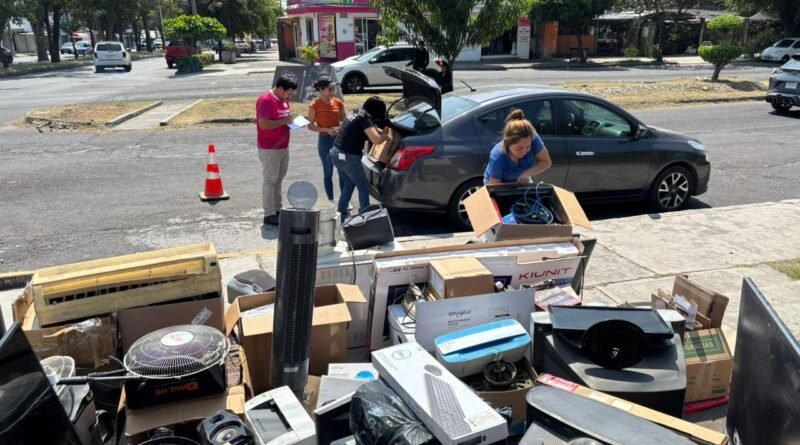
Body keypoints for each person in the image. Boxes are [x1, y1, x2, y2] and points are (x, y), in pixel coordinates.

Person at [332, 96, 391, 222]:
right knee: (363, 186)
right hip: (349, 157)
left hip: (336, 152)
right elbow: (375, 139)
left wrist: (379, 130)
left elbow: (369, 130)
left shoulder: (355, 112)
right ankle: (367, 216)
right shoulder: (365, 119)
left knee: (349, 184)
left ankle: (341, 212)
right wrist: (386, 135)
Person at [256, 76, 298, 226]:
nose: (289, 97)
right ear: (280, 89)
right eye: (288, 94)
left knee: (278, 179)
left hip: (283, 146)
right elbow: (264, 124)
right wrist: (284, 121)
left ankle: (277, 209)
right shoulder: (266, 101)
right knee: (270, 180)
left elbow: (285, 118)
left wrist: (292, 121)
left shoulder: (283, 100)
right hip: (269, 148)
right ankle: (268, 214)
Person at [484, 109, 552, 185]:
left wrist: (526, 174)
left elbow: (546, 162)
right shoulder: (497, 157)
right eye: (519, 148)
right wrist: (514, 189)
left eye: (528, 147)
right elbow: (494, 186)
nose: (524, 152)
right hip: (498, 184)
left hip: (523, 177)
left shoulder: (532, 137)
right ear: (508, 143)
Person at [307, 76, 346, 203]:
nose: (333, 92)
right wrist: (326, 130)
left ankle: (344, 199)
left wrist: (339, 128)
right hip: (325, 141)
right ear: (321, 90)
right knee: (328, 172)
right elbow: (310, 125)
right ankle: (330, 200)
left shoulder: (338, 103)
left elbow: (345, 121)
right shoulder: (315, 105)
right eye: (330, 89)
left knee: (342, 172)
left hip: (339, 140)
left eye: (334, 89)